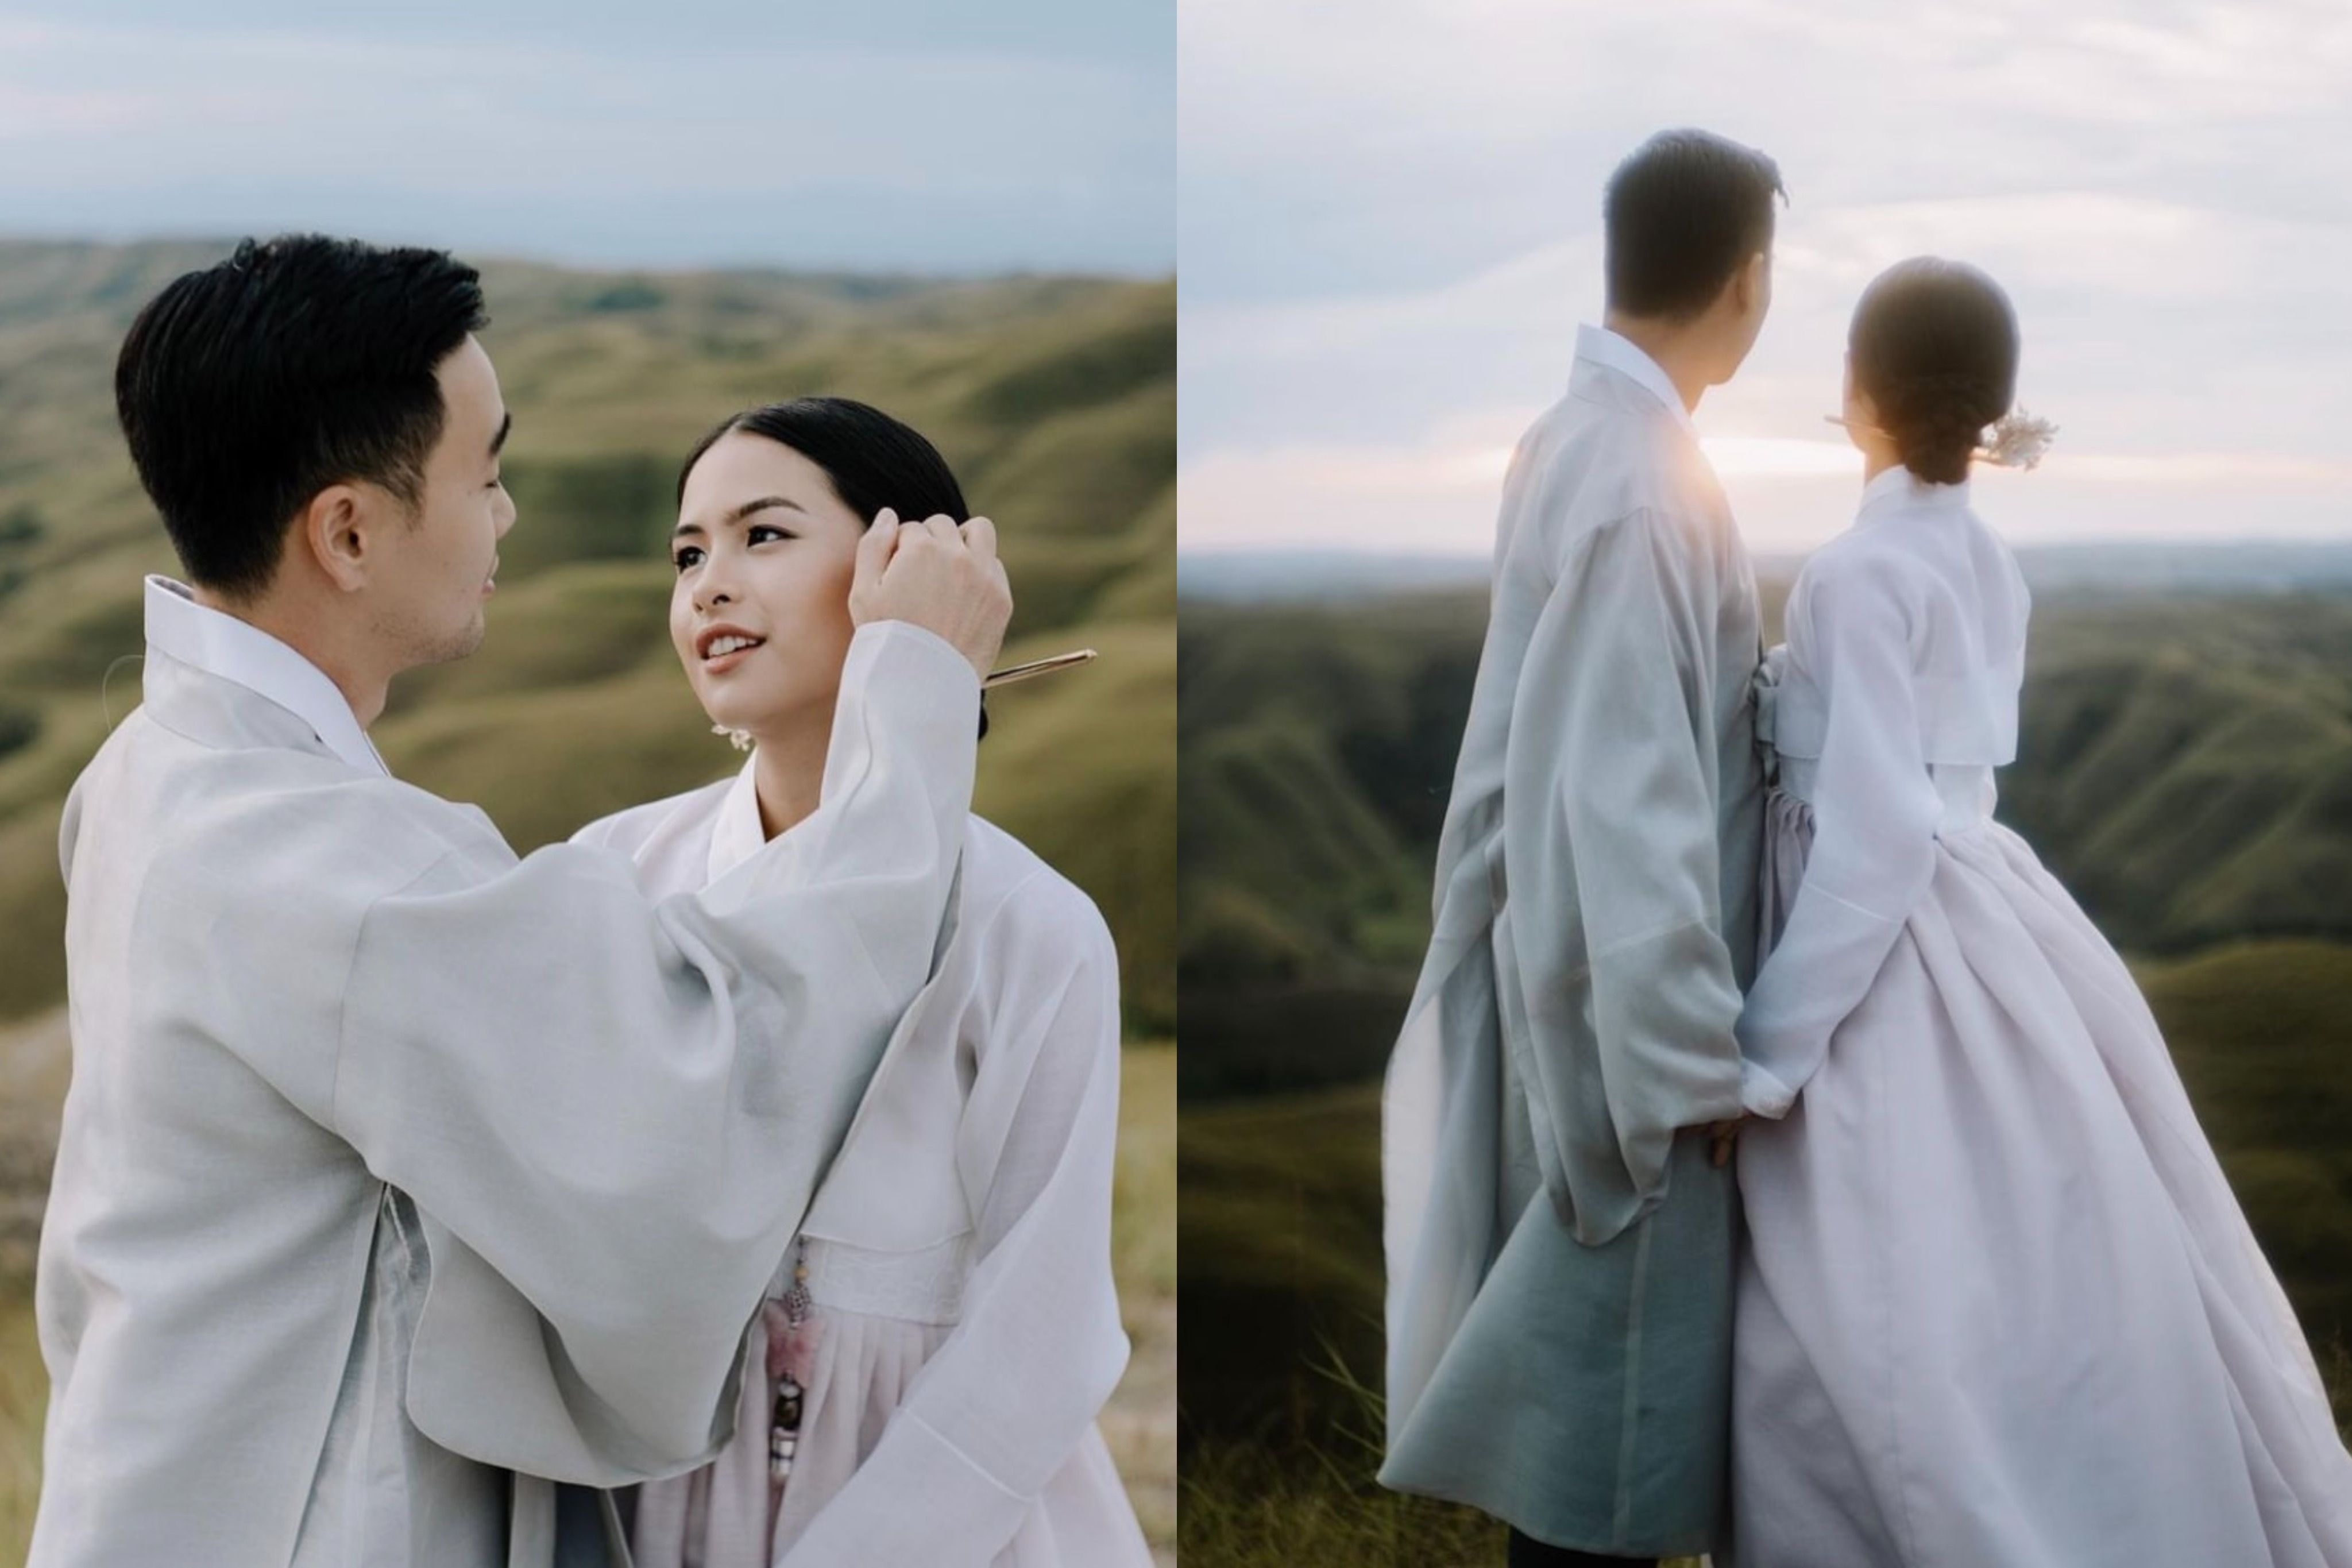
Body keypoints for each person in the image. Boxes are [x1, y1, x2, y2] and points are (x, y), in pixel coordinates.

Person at [33, 237, 1011, 1568]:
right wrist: (911, 698)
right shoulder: (329, 865)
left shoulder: (154, 766)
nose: (504, 517)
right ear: (348, 530)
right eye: (482, 474)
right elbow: (702, 1088)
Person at [1730, 256, 2352, 1566]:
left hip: (1885, 957)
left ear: (1857, 397)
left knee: (1853, 1305)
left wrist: (1767, 1058)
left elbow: (1879, 832)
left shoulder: (1852, 572)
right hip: (1995, 918)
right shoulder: (1984, 560)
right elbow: (1951, 787)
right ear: (1988, 408)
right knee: (2023, 1270)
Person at [578, 397, 1154, 1567]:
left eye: (764, 535)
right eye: (687, 553)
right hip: (654, 1509)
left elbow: (1041, 1331)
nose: (709, 583)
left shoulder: (1029, 929)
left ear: (902, 567)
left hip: (942, 1520)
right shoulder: (612, 878)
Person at [1379, 129, 1781, 1565]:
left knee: (1577, 1438)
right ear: (1747, 282)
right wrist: (1691, 1060)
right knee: (1599, 1462)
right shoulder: (1632, 477)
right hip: (1621, 1041)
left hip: (1573, 991)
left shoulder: (1581, 440)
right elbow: (1625, 799)